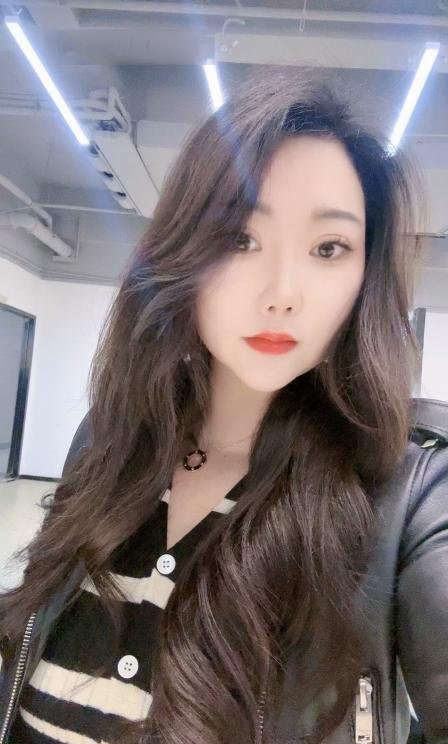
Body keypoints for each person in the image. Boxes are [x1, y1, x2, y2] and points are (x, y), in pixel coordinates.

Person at [0, 65, 446, 744]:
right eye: (241, 237)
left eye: (329, 248)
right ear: (183, 249)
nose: (283, 292)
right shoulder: (109, 438)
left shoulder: (407, 492)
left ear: (365, 274)